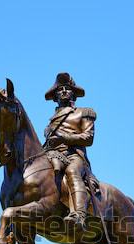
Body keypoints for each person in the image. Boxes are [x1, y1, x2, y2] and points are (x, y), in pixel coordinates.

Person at [44, 72, 97, 230]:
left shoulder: (84, 112)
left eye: (67, 88)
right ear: (55, 95)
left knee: (72, 171)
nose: (64, 91)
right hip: (52, 155)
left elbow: (88, 138)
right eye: (60, 89)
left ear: (73, 93)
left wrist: (63, 139)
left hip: (74, 156)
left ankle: (79, 214)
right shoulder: (51, 122)